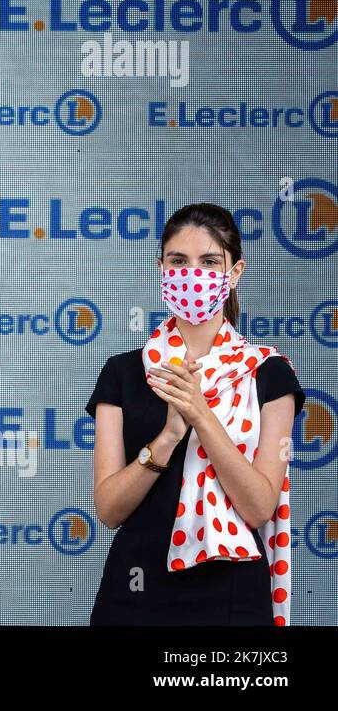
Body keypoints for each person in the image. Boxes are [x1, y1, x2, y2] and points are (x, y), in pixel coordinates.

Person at [87, 203, 303, 625]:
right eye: (178, 261)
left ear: (234, 273)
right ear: (162, 269)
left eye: (209, 261)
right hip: (135, 593)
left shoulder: (269, 373)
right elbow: (109, 509)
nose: (193, 273)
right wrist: (166, 439)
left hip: (232, 598)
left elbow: (259, 505)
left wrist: (201, 416)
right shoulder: (123, 373)